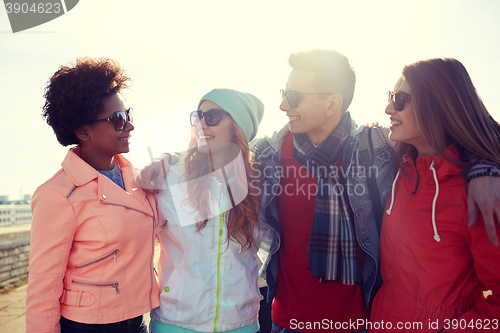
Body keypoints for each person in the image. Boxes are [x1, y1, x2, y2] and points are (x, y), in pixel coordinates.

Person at [251, 49, 500, 333]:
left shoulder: (379, 151)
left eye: (294, 97)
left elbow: (463, 128)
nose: (283, 105)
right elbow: (208, 180)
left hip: (359, 323)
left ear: (332, 104)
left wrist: (485, 168)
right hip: (288, 322)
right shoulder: (265, 155)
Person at [26, 58, 160, 333]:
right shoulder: (58, 195)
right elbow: (44, 284)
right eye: (118, 120)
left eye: (128, 115)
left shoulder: (140, 179)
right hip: (88, 326)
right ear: (83, 131)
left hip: (138, 321)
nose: (130, 126)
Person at [369, 58, 500, 332]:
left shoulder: (480, 193)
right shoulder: (401, 169)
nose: (388, 108)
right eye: (390, 97)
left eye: (400, 99)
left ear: (438, 108)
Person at [147, 89, 265, 333]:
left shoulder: (260, 186)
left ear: (239, 126)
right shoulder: (170, 178)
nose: (201, 124)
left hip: (240, 323)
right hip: (175, 323)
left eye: (212, 117)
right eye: (197, 116)